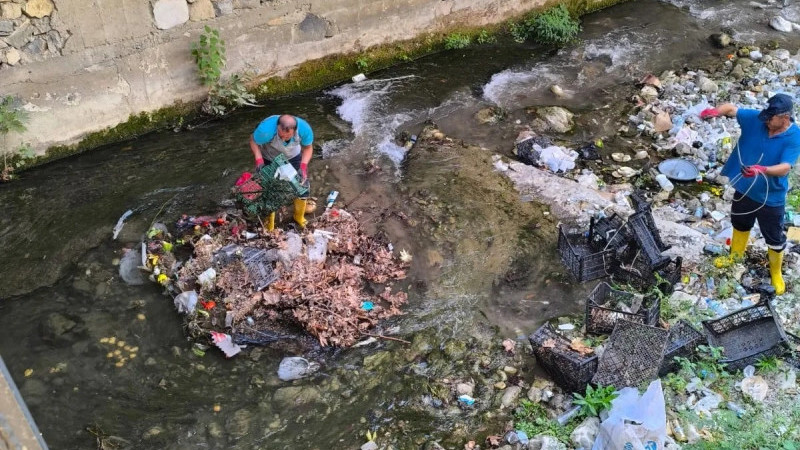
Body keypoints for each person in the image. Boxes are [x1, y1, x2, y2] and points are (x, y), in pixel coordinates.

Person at [701, 93, 800, 294]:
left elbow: (784, 167)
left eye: (771, 118)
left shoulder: (794, 136)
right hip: (745, 189)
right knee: (740, 223)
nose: (766, 121)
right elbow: (730, 108)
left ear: (784, 117)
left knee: (773, 236)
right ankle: (735, 258)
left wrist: (762, 170)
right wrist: (714, 112)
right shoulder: (757, 119)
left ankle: (776, 273)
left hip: (770, 197)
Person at [249, 114, 313, 229]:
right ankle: (269, 225)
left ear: (294, 130)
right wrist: (259, 160)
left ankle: (298, 217)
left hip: (293, 157)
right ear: (277, 127)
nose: (283, 139)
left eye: (287, 137)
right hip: (269, 158)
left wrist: (303, 167)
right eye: (281, 135)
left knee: (301, 187)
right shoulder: (265, 130)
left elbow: (308, 148)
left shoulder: (304, 129)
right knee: (269, 191)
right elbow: (253, 141)